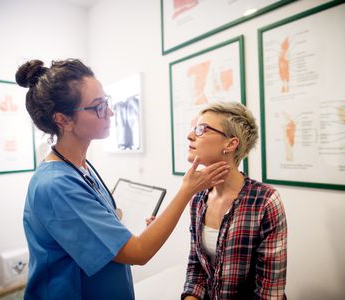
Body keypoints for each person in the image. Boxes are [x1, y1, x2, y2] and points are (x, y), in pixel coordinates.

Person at [16, 59, 230, 300]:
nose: (110, 111)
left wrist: (147, 227)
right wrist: (187, 190)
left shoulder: (80, 166)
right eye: (98, 107)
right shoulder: (56, 185)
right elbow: (138, 253)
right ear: (63, 120)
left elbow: (108, 222)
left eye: (106, 101)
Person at [181, 102, 287, 299]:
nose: (190, 135)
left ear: (230, 144)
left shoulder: (265, 201)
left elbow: (270, 291)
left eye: (201, 129)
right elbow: (196, 267)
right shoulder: (197, 198)